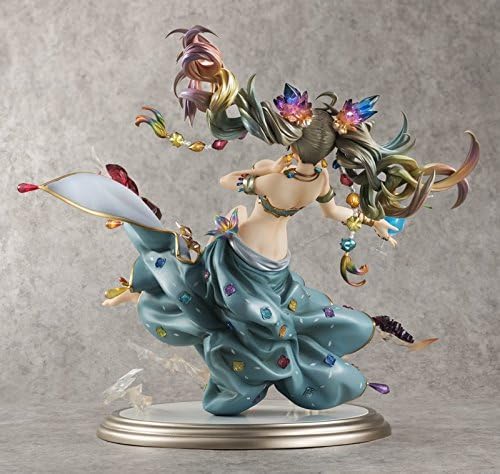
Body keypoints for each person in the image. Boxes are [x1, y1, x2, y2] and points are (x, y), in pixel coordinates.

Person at [18, 25, 479, 415]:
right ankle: (171, 315)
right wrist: (365, 219)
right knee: (249, 319)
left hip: (266, 264)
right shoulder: (307, 178)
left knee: (260, 320)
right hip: (249, 261)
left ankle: (239, 363)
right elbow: (326, 208)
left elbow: (238, 184)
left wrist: (270, 176)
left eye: (300, 154)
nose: (299, 161)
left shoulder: (285, 177)